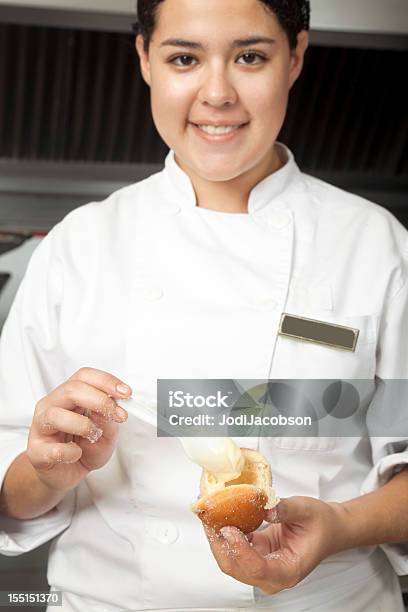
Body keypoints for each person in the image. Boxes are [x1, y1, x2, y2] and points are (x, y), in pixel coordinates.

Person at [0, 0, 408, 610]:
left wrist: (343, 527)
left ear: (295, 56)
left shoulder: (377, 246)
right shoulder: (76, 248)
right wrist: (45, 470)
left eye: (250, 56)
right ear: (144, 58)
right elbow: (10, 483)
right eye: (185, 58)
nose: (217, 94)